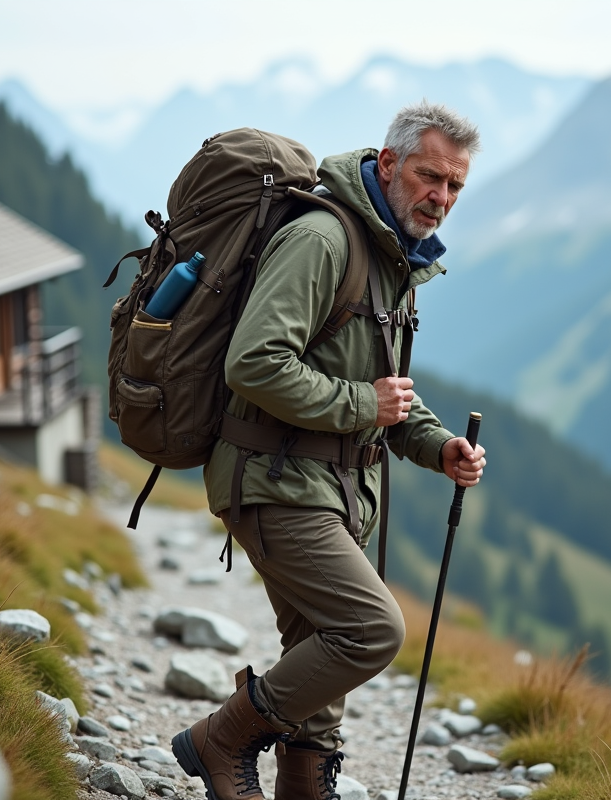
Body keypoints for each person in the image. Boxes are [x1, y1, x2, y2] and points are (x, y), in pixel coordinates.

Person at [171, 101, 487, 800]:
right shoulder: (323, 240)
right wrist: (363, 406)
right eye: (429, 177)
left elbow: (385, 390)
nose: (440, 198)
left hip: (330, 488)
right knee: (369, 630)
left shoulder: (393, 257)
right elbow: (254, 363)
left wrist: (439, 446)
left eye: (455, 186)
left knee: (318, 659)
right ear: (388, 164)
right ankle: (220, 741)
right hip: (273, 478)